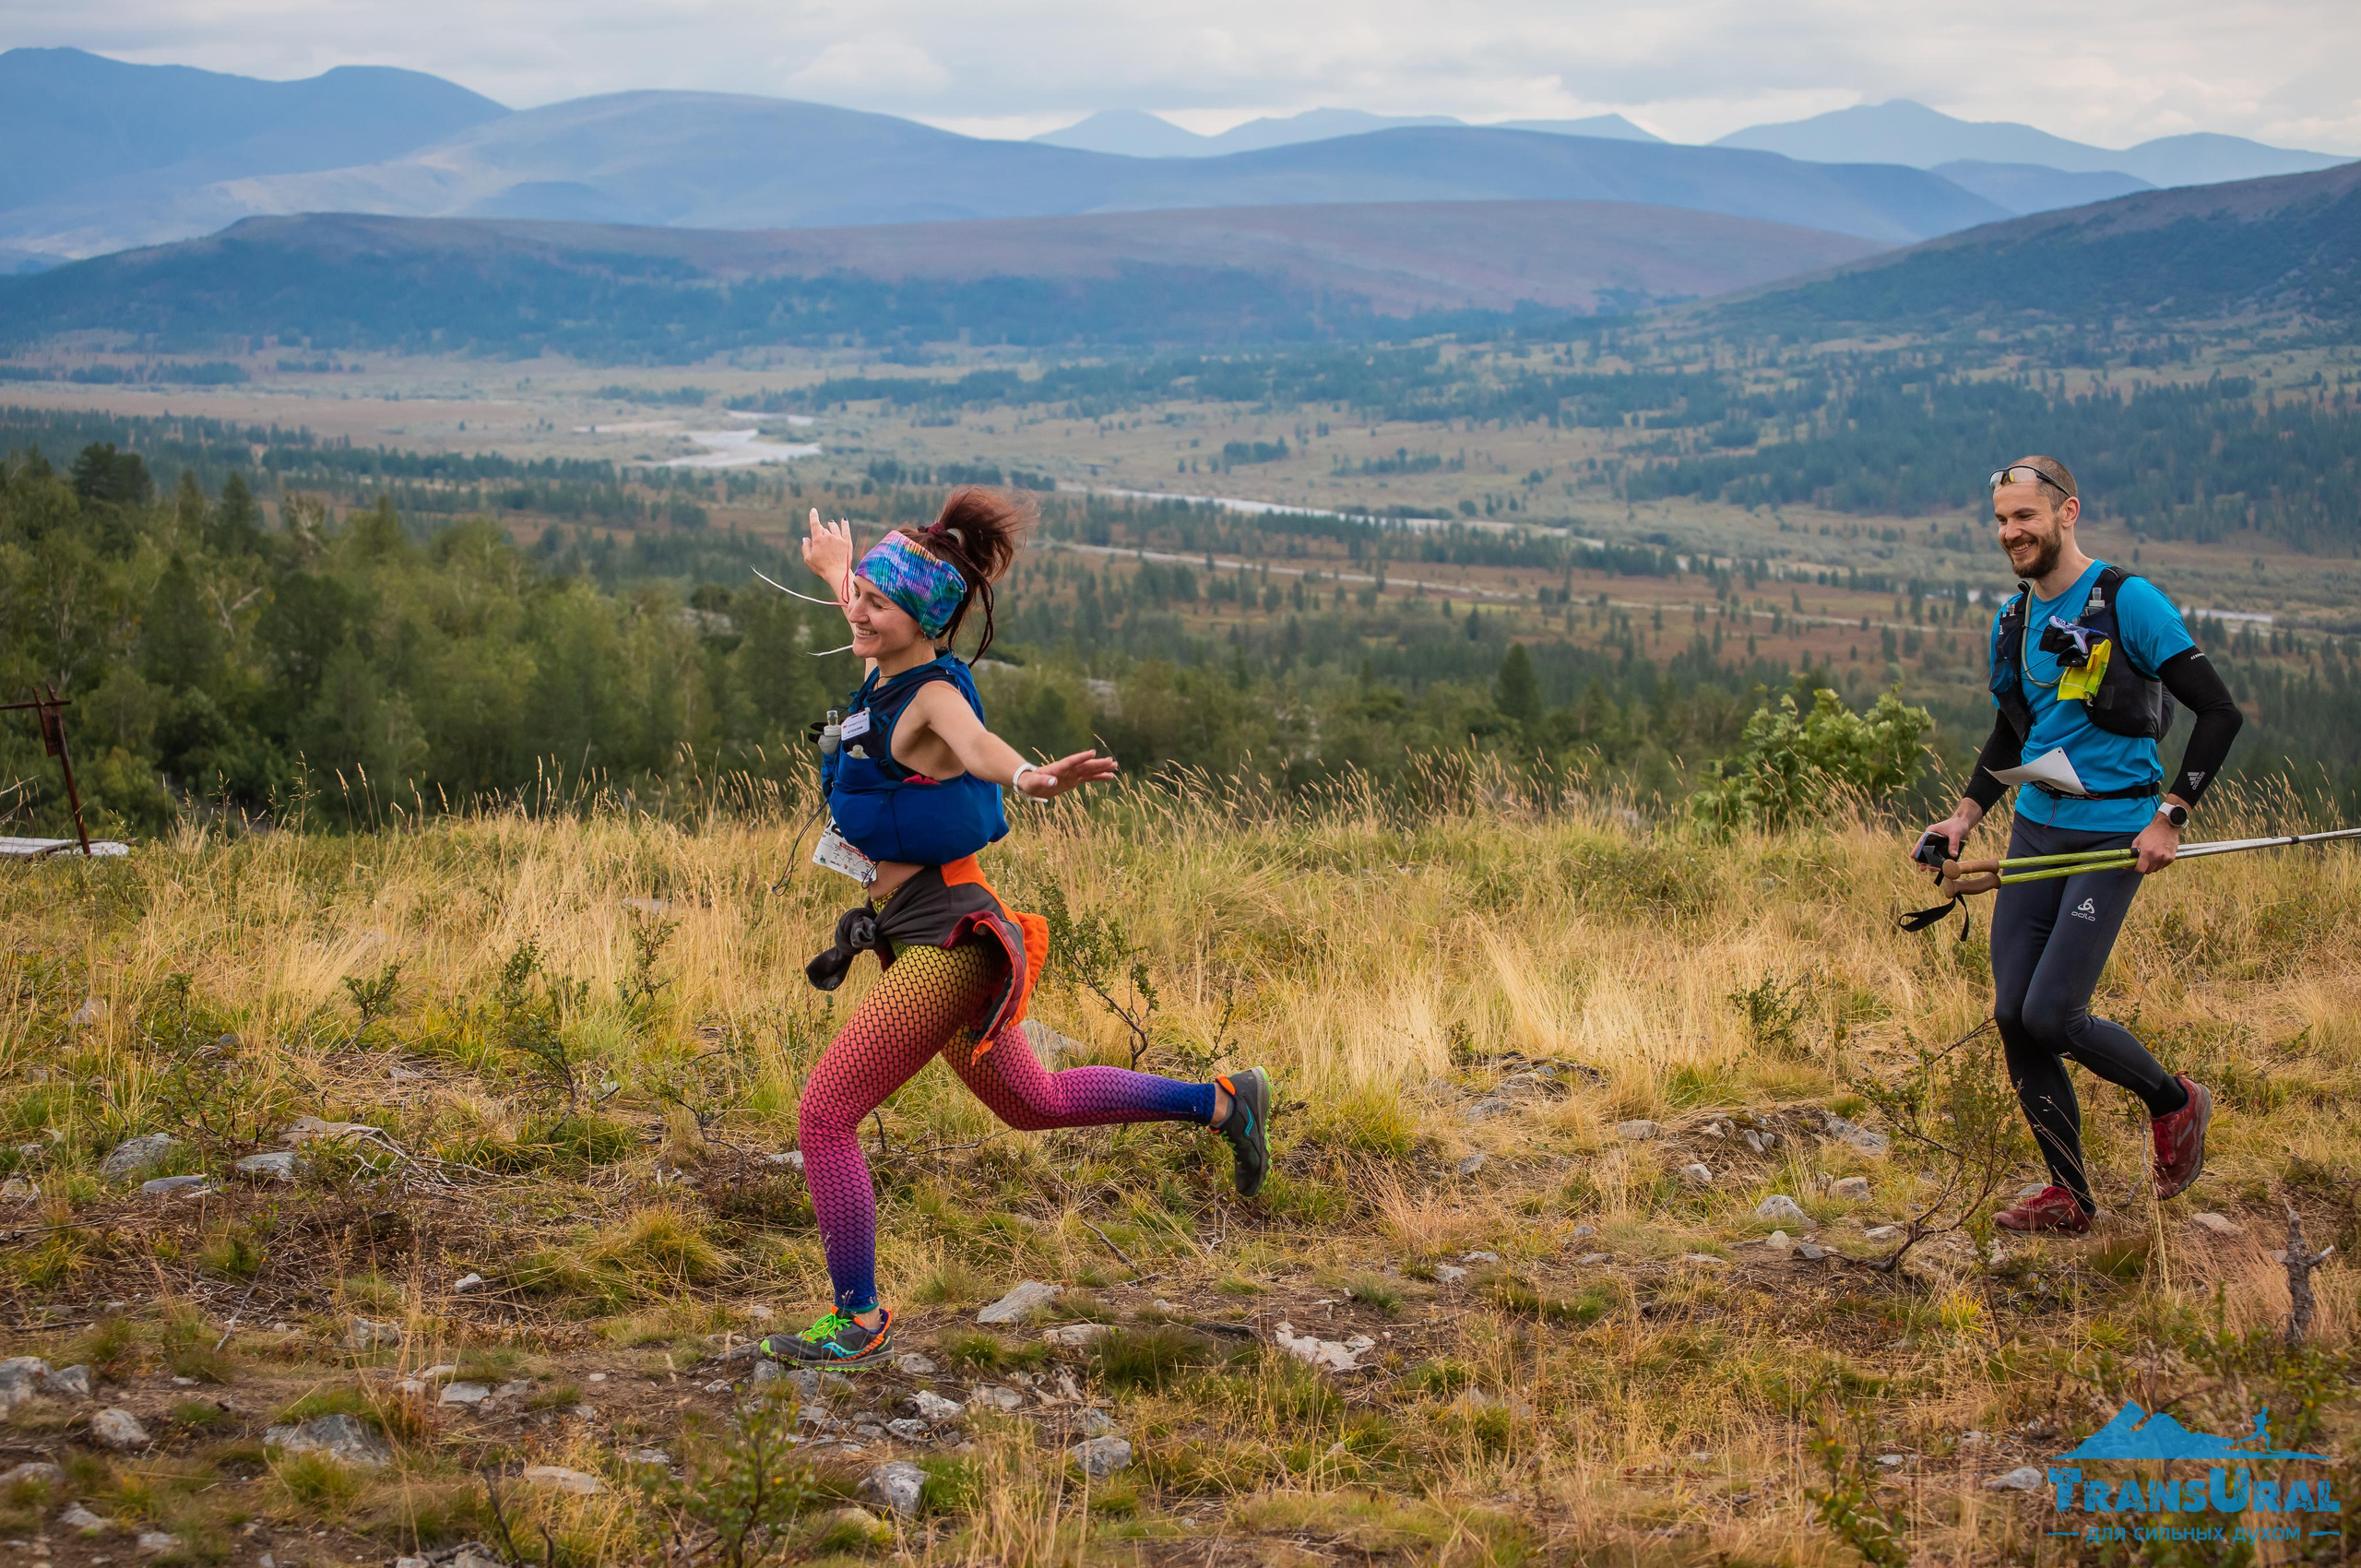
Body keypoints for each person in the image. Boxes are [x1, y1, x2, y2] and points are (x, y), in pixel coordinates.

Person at [759, 489, 1273, 1366]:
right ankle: (1223, 1102)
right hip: (917, 934)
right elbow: (861, 598)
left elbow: (977, 746)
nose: (859, 612)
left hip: (950, 940)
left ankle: (859, 1320)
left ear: (919, 623)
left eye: (876, 605)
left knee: (825, 1114)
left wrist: (1028, 778)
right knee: (1032, 1103)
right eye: (861, 599)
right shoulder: (883, 659)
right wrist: (835, 569)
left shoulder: (929, 699)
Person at [1917, 457, 2243, 1234]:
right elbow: (2013, 730)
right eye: (2001, 520)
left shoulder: (2129, 601)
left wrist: (2171, 816)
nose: (2010, 533)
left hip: (2111, 832)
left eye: (2024, 517)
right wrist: (1962, 818)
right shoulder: (2014, 618)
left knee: (2054, 1013)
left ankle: (2176, 1103)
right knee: (2011, 1013)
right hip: (2036, 828)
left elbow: (2219, 712)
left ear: (2068, 513)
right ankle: (2068, 1194)